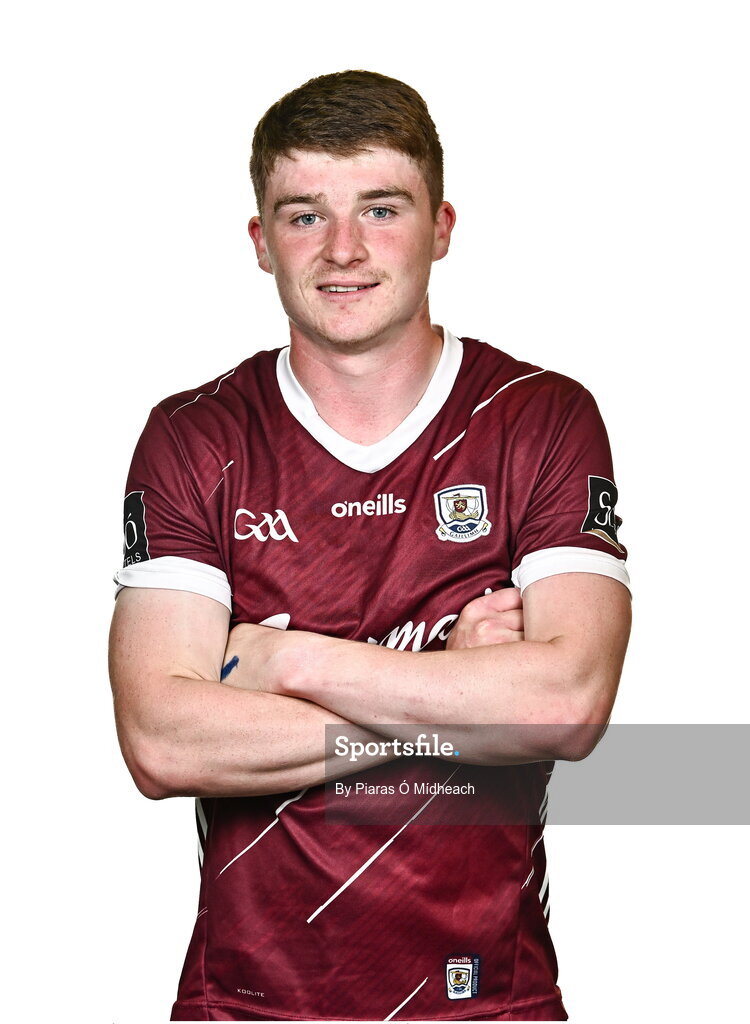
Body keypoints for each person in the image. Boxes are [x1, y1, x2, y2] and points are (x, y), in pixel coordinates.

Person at [109, 70, 631, 1022]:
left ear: (441, 227)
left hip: (490, 1004)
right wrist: (462, 707)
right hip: (246, 1007)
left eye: (380, 209)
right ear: (261, 244)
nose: (343, 250)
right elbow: (159, 737)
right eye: (305, 216)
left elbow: (565, 702)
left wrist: (284, 659)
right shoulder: (195, 436)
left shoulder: (540, 420)